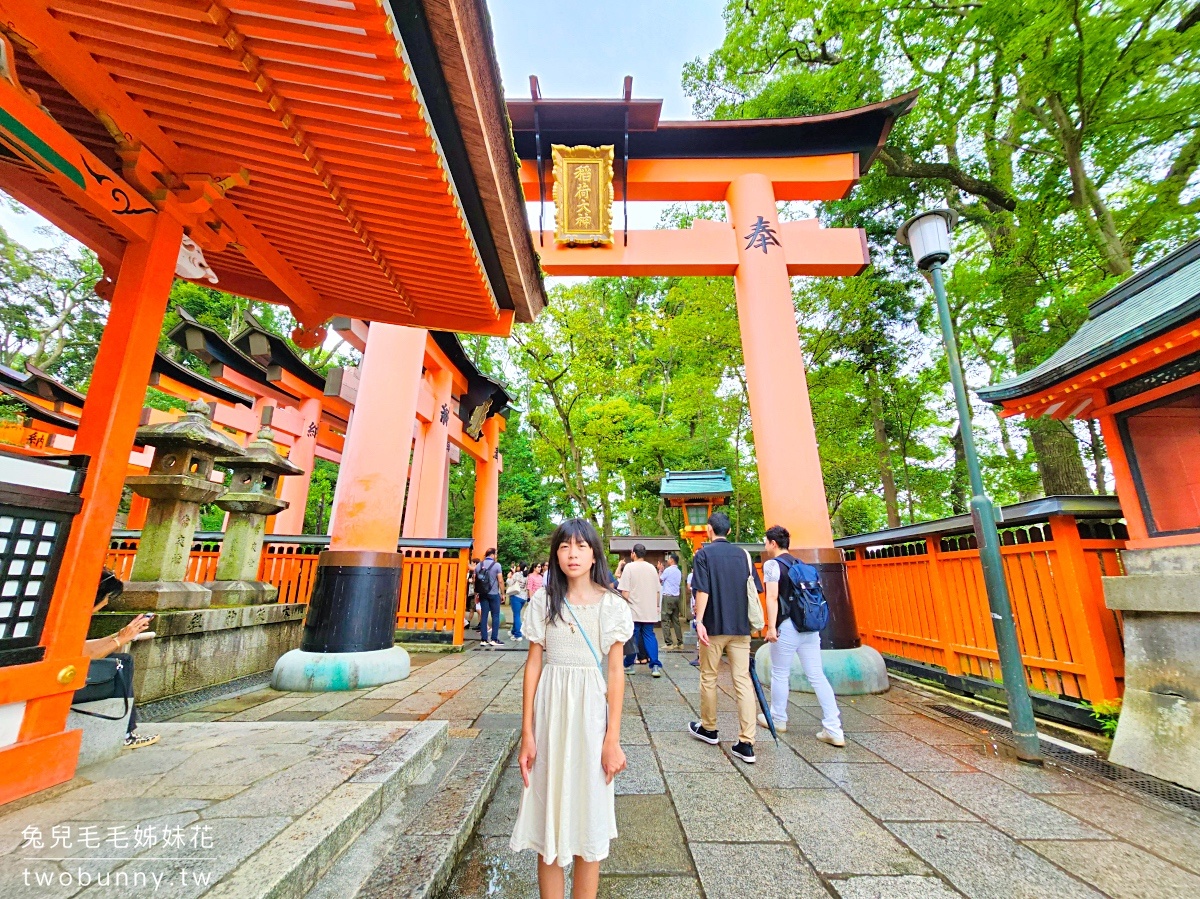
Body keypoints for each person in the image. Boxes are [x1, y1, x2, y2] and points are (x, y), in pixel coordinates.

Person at [510, 518, 633, 899]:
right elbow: (533, 665)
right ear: (556, 554)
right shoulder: (543, 601)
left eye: (581, 546)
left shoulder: (611, 605)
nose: (573, 554)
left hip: (591, 718)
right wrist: (527, 732)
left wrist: (612, 739)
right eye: (565, 547)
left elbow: (616, 674)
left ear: (595, 553)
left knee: (588, 815)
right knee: (549, 814)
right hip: (549, 715)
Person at [686, 511, 762, 764]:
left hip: (714, 627)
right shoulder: (743, 555)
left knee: (709, 676)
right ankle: (746, 742)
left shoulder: (704, 554)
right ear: (728, 531)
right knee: (742, 680)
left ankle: (709, 728)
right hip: (740, 628)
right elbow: (754, 589)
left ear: (709, 529)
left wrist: (699, 621)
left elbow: (703, 590)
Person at [760, 525, 845, 746]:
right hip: (809, 626)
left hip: (787, 626)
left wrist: (770, 627)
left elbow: (771, 597)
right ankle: (834, 728)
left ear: (773, 543)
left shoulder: (772, 565)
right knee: (817, 675)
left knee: (780, 673)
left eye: (766, 542)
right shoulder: (800, 564)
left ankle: (778, 718)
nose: (765, 546)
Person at [75, 569, 158, 749]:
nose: (106, 602)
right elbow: (80, 659)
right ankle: (125, 734)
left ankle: (126, 732)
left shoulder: (74, 616)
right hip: (65, 684)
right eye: (108, 596)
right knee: (121, 663)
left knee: (120, 658)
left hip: (65, 676)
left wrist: (123, 635)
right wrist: (119, 640)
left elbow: (84, 649)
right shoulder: (72, 619)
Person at [619, 544, 663, 677]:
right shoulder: (651, 568)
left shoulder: (629, 567)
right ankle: (655, 665)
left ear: (633, 553)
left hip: (633, 608)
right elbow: (657, 590)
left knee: (632, 636)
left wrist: (622, 606)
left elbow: (625, 591)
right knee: (649, 635)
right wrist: (656, 606)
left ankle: (629, 664)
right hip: (649, 608)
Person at [475, 548, 504, 647]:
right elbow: (500, 580)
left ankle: (484, 639)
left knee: (484, 616)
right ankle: (494, 639)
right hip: (494, 593)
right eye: (496, 554)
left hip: (482, 593)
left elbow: (476, 581)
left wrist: (476, 594)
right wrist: (503, 593)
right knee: (495, 615)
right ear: (492, 555)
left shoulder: (479, 565)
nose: (496, 556)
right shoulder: (497, 565)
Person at [659, 553, 683, 648]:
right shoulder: (679, 571)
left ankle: (669, 643)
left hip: (668, 596)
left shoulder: (667, 570)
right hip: (676, 597)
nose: (667, 561)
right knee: (675, 620)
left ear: (672, 560)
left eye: (669, 559)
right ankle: (680, 642)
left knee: (665, 619)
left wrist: (660, 570)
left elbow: (660, 580)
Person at [507, 563, 529, 642]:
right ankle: (513, 631)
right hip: (524, 597)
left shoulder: (516, 574)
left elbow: (510, 583)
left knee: (516, 615)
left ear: (520, 567)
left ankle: (518, 634)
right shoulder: (527, 576)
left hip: (516, 596)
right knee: (517, 614)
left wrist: (509, 577)